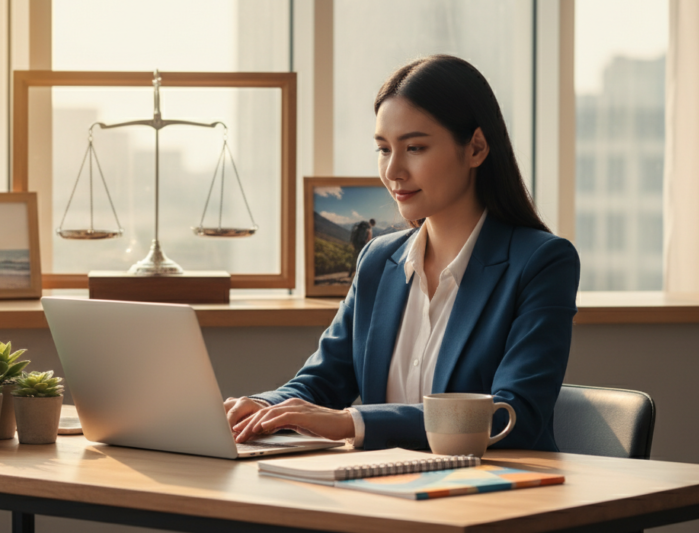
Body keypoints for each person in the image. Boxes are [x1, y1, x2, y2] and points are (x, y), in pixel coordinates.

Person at [226, 55, 580, 451]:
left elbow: (513, 414)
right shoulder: (378, 260)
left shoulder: (542, 262)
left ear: (476, 148)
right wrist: (260, 407)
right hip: (387, 490)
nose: (393, 170)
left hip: (494, 493)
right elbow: (324, 381)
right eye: (382, 149)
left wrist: (350, 422)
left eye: (414, 147)